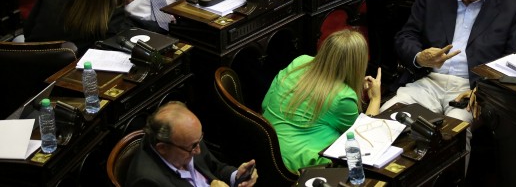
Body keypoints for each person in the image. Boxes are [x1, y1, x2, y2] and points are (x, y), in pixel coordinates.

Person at [381, 0, 516, 169]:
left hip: (469, 90)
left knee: (452, 138)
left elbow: (513, 58)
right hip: (427, 81)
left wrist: (484, 90)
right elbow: (405, 36)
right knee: (385, 119)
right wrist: (420, 57)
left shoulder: (512, 0)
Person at [261, 29, 382, 172]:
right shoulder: (343, 98)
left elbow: (264, 104)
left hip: (264, 148)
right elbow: (364, 139)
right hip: (300, 165)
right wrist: (375, 98)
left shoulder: (300, 61)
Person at [126, 101, 258, 187]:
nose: (198, 151)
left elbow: (215, 168)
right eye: (192, 146)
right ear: (162, 148)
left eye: (199, 140)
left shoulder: (189, 140)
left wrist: (237, 176)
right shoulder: (147, 181)